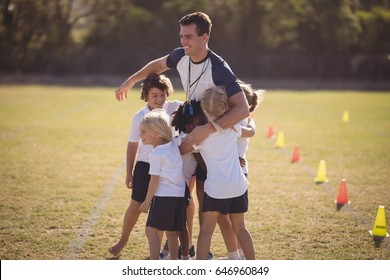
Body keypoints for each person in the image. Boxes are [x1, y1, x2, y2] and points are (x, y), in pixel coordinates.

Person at [115, 11, 249, 145]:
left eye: (189, 37)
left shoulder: (219, 69)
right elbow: (157, 65)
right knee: (168, 156)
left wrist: (208, 128)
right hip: (191, 129)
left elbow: (243, 109)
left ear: (204, 38)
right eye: (182, 36)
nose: (184, 41)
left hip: (214, 136)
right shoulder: (180, 56)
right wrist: (131, 81)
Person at [109, 73, 182, 257]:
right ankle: (123, 240)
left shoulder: (172, 111)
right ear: (146, 96)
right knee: (135, 205)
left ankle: (156, 252)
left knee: (160, 208)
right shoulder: (139, 117)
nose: (159, 99)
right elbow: (132, 144)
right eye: (154, 95)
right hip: (144, 166)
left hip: (165, 168)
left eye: (162, 95)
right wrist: (129, 173)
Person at [180, 86, 256, 260]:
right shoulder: (234, 127)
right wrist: (251, 120)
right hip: (238, 185)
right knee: (241, 229)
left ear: (204, 110)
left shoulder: (199, 135)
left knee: (207, 230)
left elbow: (182, 150)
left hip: (216, 188)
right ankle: (254, 266)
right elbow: (250, 132)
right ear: (226, 107)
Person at [139, 109, 187, 260]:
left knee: (150, 231)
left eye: (144, 132)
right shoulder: (173, 143)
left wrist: (147, 202)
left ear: (157, 133)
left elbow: (154, 180)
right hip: (178, 197)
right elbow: (185, 137)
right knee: (172, 233)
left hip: (164, 197)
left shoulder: (155, 154)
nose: (141, 135)